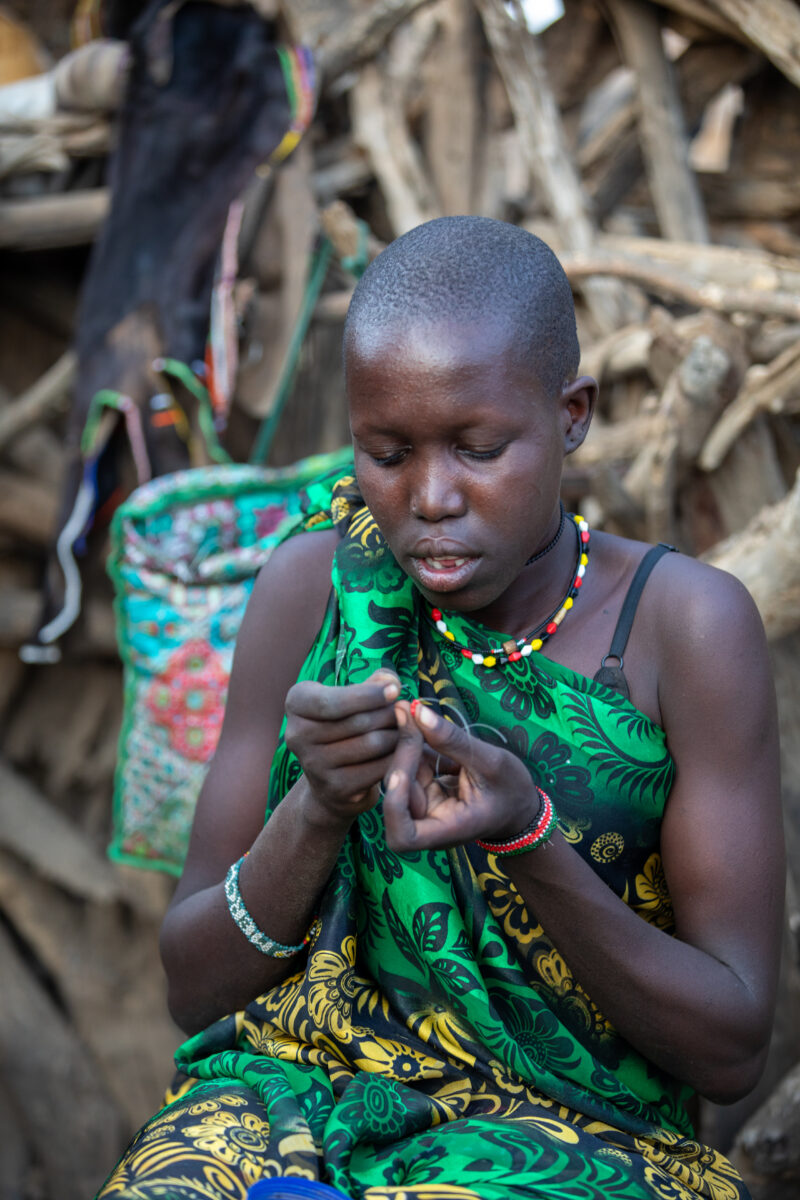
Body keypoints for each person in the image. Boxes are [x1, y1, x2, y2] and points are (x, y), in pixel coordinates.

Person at [97, 216, 785, 1200]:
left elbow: (729, 1049)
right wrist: (316, 811)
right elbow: (191, 988)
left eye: (475, 448)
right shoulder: (314, 587)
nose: (428, 496)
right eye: (386, 452)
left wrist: (527, 838)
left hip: (577, 1132)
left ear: (571, 414)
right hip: (295, 1090)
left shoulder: (682, 628)